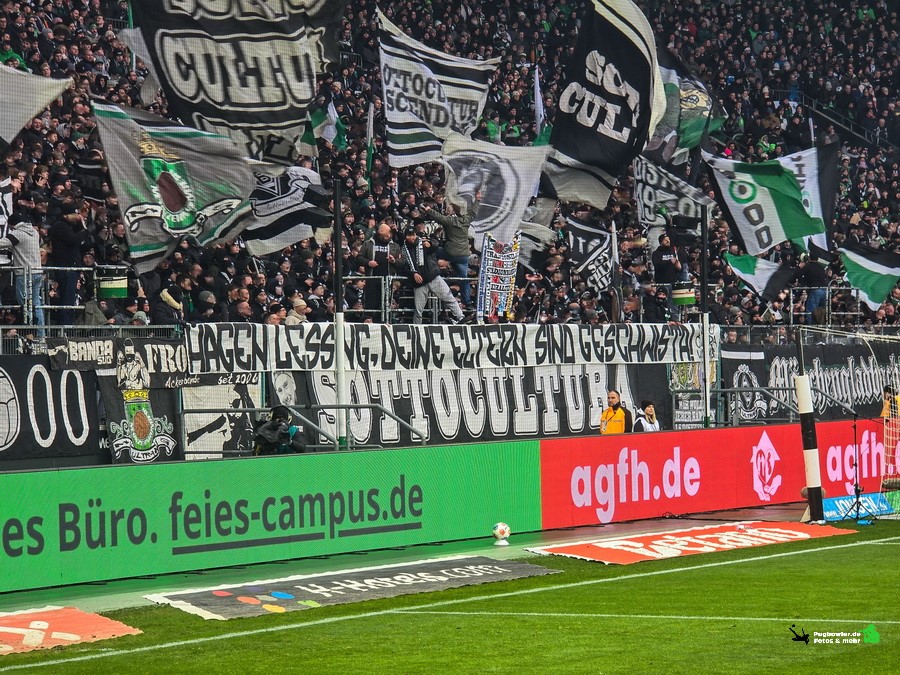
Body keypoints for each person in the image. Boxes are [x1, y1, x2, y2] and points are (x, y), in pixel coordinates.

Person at [423, 191, 480, 307]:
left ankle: (429, 270)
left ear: (454, 212)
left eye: (448, 209)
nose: (446, 211)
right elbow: (473, 212)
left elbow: (438, 217)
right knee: (464, 279)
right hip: (463, 255)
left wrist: (428, 210)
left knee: (431, 251)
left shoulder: (449, 221)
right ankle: (467, 302)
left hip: (450, 252)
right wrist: (477, 200)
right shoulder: (465, 220)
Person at [399, 225, 464, 324]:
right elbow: (404, 267)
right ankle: (417, 328)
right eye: (408, 235)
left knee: (449, 297)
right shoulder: (404, 249)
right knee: (418, 310)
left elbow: (435, 245)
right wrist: (413, 273)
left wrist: (430, 244)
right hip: (419, 283)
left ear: (416, 235)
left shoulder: (423, 242)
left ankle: (461, 318)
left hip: (432, 277)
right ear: (405, 237)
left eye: (413, 235)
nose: (411, 237)